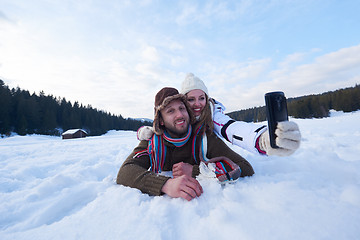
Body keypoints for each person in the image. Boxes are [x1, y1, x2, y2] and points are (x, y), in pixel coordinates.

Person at [117, 87, 255, 201]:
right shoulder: (152, 141)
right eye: (170, 111)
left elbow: (244, 167)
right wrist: (166, 184)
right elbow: (125, 172)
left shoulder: (204, 138)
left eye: (182, 108)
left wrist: (197, 171)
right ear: (161, 120)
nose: (179, 115)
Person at [138, 73, 301, 157]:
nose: (197, 104)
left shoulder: (211, 114)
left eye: (202, 98)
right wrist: (144, 131)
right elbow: (159, 124)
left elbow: (230, 128)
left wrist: (262, 140)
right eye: (191, 99)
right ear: (183, 101)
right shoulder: (179, 115)